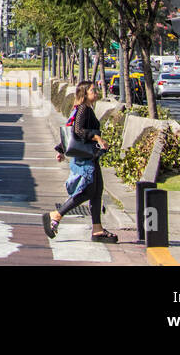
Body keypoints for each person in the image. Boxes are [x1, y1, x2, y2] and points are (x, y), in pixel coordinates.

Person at [43, 81, 117, 243]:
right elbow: (78, 130)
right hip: (86, 158)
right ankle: (57, 215)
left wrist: (61, 150)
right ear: (84, 93)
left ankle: (97, 229)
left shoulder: (85, 108)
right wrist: (97, 138)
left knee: (97, 192)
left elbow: (71, 130)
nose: (96, 93)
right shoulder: (83, 108)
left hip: (90, 156)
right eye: (93, 90)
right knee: (88, 191)